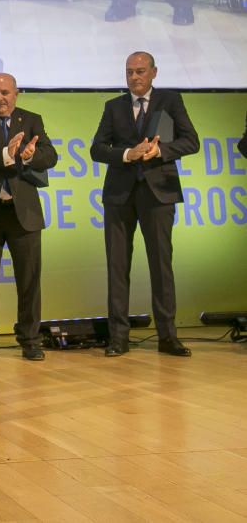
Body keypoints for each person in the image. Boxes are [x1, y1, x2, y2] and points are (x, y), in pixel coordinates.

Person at [90, 51, 199, 357]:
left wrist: (159, 151)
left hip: (158, 194)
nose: (134, 77)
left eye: (140, 71)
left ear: (154, 73)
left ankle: (167, 336)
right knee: (117, 267)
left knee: (161, 267)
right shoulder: (114, 107)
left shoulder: (171, 101)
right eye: (129, 72)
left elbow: (192, 141)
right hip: (119, 196)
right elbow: (97, 149)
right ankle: (118, 338)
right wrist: (128, 154)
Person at [0, 74, 58, 361]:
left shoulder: (31, 119)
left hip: (24, 214)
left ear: (16, 94)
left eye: (5, 92)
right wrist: (6, 154)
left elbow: (50, 155)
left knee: (29, 281)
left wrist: (29, 156)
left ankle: (30, 340)